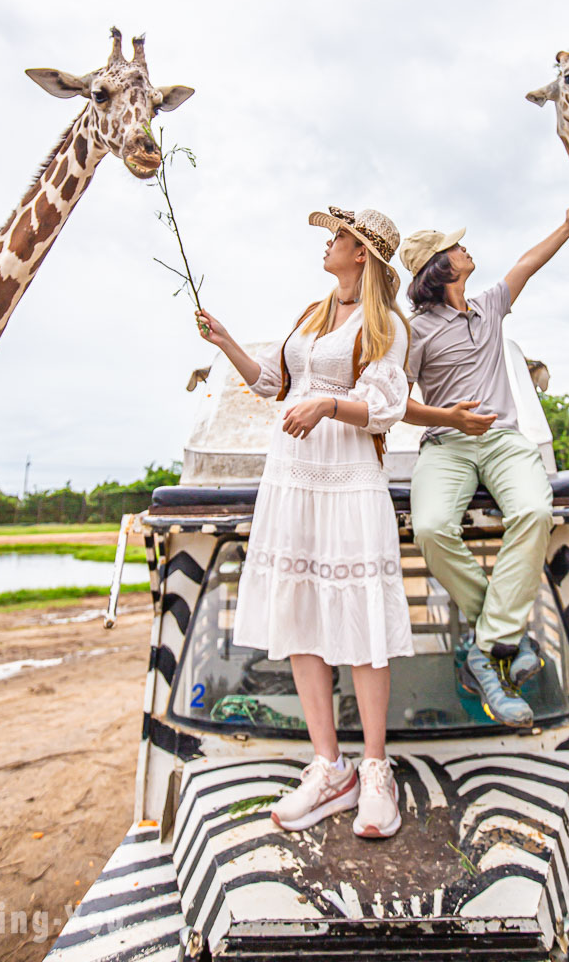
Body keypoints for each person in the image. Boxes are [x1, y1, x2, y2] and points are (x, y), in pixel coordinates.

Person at [194, 206, 412, 839]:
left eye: (338, 236)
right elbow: (270, 383)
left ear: (362, 253)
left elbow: (382, 407)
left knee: (362, 618)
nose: (328, 243)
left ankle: (374, 768)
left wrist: (325, 404)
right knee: (302, 615)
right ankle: (329, 766)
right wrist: (226, 340)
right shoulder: (310, 317)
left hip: (348, 483)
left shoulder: (387, 325)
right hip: (291, 480)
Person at [400, 199, 569, 726]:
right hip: (447, 442)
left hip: (503, 440)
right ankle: (506, 636)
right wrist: (449, 416)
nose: (467, 248)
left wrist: (568, 226)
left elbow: (527, 263)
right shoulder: (414, 330)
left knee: (535, 512)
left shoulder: (489, 304)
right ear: (440, 267)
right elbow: (397, 403)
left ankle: (486, 647)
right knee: (430, 526)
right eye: (456, 245)